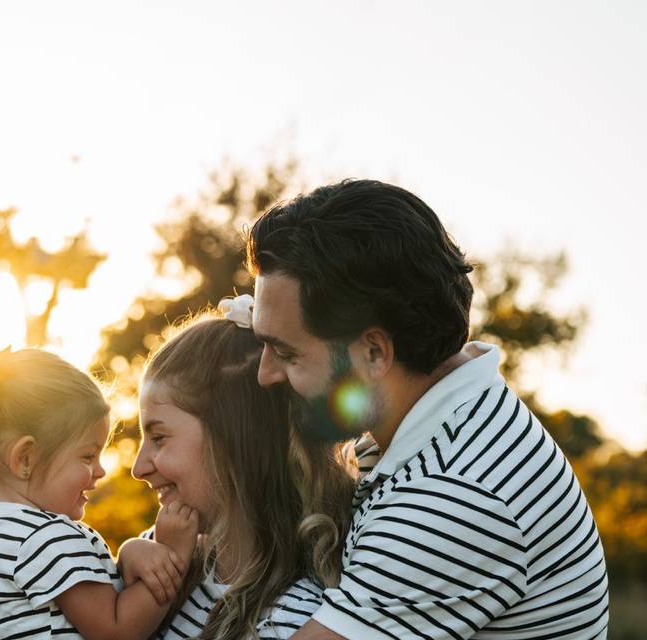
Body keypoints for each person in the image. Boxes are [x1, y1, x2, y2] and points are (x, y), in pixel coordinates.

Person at [247, 179, 609, 639]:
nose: (265, 374)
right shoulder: (456, 412)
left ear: (375, 353)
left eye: (287, 353)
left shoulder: (455, 496)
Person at [0, 346, 199, 640]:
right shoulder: (47, 537)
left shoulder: (12, 534)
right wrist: (174, 554)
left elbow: (94, 600)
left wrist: (127, 555)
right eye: (87, 456)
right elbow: (117, 631)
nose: (100, 470)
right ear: (25, 459)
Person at [127, 303, 358, 639]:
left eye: (159, 437)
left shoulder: (291, 622)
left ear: (233, 438)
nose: (138, 467)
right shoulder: (162, 558)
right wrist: (127, 560)